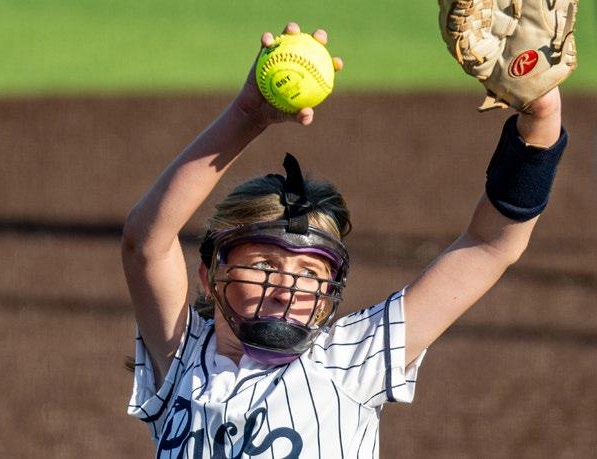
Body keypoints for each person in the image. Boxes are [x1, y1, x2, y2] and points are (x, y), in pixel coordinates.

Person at [123, 22, 568, 458]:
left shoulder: (350, 362)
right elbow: (146, 244)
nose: (285, 289)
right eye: (263, 266)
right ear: (210, 275)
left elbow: (489, 246)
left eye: (309, 273)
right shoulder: (181, 356)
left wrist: (541, 122)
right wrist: (246, 116)